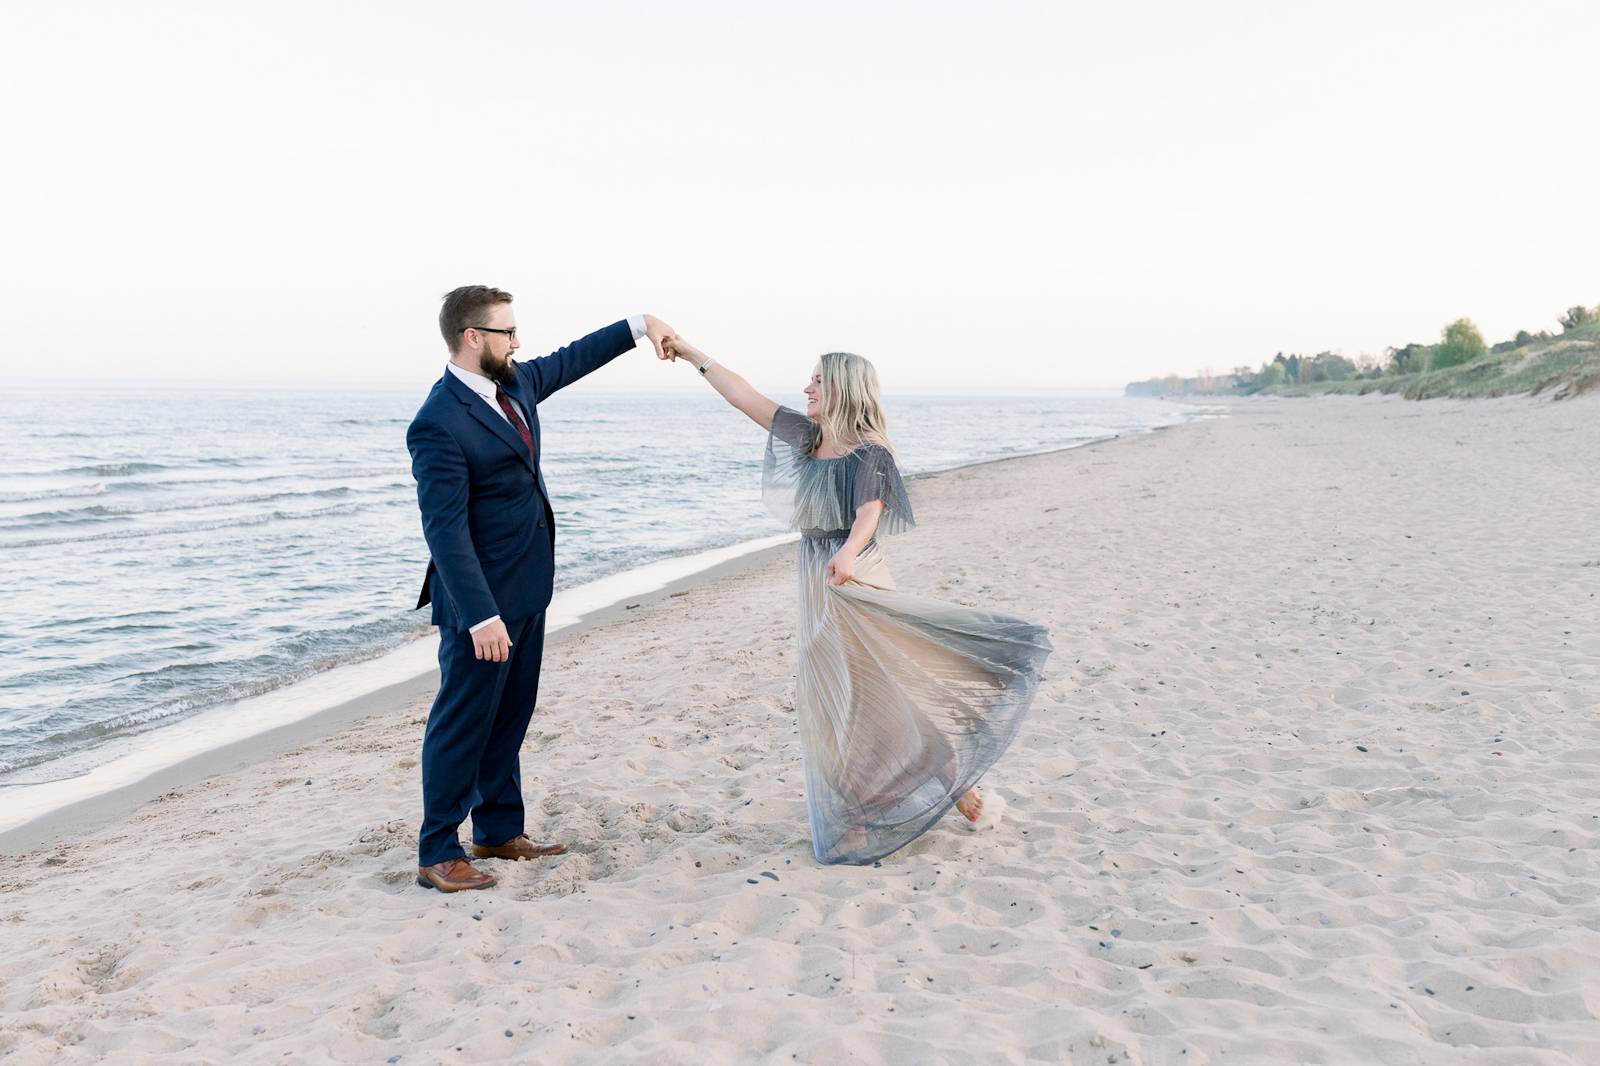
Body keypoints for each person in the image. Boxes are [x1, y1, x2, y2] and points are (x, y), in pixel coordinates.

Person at [662, 339, 1053, 865]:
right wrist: (690, 354)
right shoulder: (807, 437)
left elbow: (869, 512)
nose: (807, 388)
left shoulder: (872, 451)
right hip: (817, 571)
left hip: (854, 575)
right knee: (864, 696)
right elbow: (743, 396)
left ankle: (857, 821)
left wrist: (846, 553)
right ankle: (960, 793)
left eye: (817, 380)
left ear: (843, 387)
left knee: (865, 699)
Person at [407, 285, 674, 892]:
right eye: (508, 332)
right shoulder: (438, 422)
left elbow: (575, 357)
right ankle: (437, 852)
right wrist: (479, 616)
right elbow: (444, 532)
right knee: (462, 721)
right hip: (480, 605)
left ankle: (498, 831)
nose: (520, 342)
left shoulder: (517, 384)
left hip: (530, 585)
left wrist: (640, 323)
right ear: (473, 338)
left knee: (510, 714)